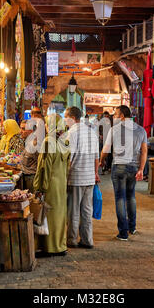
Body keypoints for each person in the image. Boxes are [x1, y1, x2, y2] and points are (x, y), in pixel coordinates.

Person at [99, 105, 148, 241]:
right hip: (133, 167)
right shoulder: (141, 130)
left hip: (119, 167)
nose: (114, 117)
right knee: (130, 196)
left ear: (121, 116)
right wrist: (141, 169)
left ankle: (123, 232)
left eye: (115, 115)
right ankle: (132, 227)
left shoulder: (114, 130)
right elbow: (144, 151)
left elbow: (106, 148)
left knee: (120, 198)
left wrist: (101, 161)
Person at [33, 114, 70, 257]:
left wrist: (40, 187)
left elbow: (44, 168)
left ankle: (49, 247)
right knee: (60, 214)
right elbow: (67, 166)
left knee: (48, 216)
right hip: (61, 184)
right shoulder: (64, 142)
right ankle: (60, 245)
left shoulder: (49, 142)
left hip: (50, 185)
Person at [64, 106, 100, 249]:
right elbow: (97, 157)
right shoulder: (92, 133)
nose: (65, 120)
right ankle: (87, 240)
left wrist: (66, 175)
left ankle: (72, 239)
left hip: (76, 177)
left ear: (73, 118)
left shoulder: (72, 133)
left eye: (66, 117)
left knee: (73, 210)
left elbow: (69, 158)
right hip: (90, 177)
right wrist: (95, 173)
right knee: (86, 210)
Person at [20, 120, 39, 192]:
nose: (20, 131)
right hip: (26, 177)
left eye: (23, 129)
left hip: (32, 179)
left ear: (31, 131)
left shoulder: (35, 144)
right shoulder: (27, 142)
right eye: (20, 128)